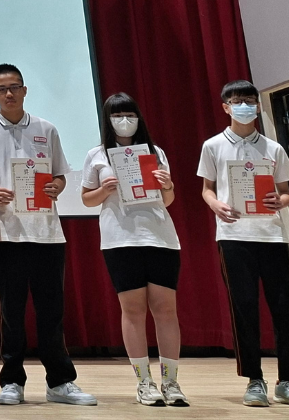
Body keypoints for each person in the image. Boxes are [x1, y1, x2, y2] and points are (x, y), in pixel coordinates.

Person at [0, 63, 96, 406]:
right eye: (2, 89)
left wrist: (56, 186)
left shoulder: (46, 128)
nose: (9, 93)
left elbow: (60, 175)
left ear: (24, 90)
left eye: (14, 87)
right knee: (11, 312)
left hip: (47, 234)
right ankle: (12, 381)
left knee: (51, 311)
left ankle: (60, 382)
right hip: (4, 233)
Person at [197, 80, 289, 408]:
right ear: (226, 107)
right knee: (244, 309)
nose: (245, 106)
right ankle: (254, 380)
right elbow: (207, 188)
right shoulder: (213, 146)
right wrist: (216, 205)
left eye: (250, 101)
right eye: (238, 101)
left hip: (271, 235)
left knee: (283, 309)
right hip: (233, 237)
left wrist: (281, 201)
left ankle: (288, 381)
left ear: (257, 106)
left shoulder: (273, 148)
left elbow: (286, 192)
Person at [79, 92, 187, 406]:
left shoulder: (155, 152)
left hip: (160, 237)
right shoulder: (97, 155)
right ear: (107, 120)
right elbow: (86, 199)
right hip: (120, 239)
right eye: (117, 115)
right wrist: (104, 190)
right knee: (133, 310)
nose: (124, 120)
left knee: (166, 310)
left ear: (138, 117)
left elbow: (168, 200)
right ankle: (144, 382)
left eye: (129, 114)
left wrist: (167, 185)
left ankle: (171, 382)